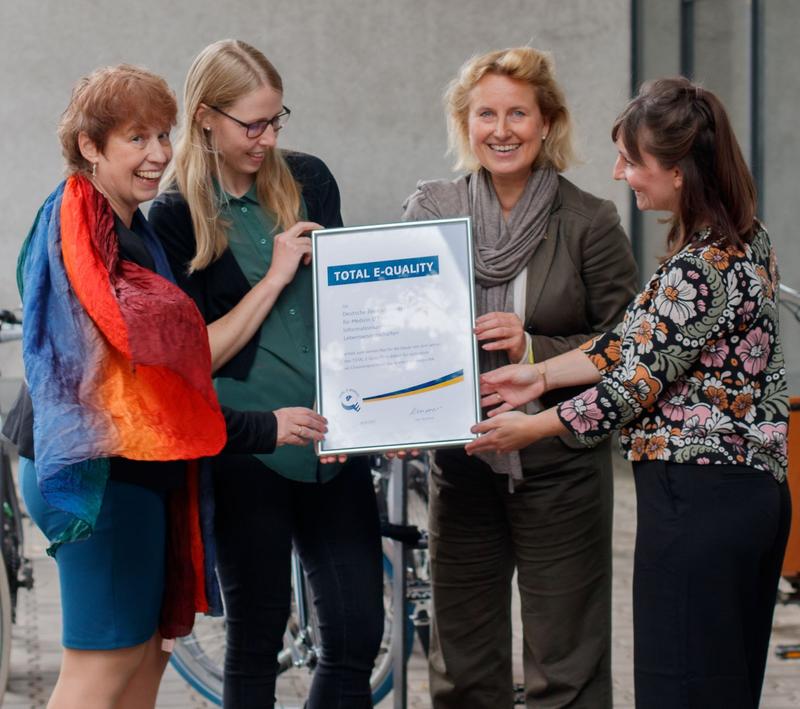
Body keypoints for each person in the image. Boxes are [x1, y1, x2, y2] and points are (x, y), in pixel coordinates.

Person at [7, 64, 327, 709]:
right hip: (100, 476)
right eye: (136, 139)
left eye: (163, 135)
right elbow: (137, 388)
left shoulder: (129, 225)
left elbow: (178, 361)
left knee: (146, 656)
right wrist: (263, 428)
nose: (157, 155)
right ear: (90, 147)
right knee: (102, 666)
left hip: (138, 477)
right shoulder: (83, 230)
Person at [471, 77, 790, 709]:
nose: (620, 174)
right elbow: (634, 341)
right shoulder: (744, 239)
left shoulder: (702, 267)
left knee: (679, 687)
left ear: (677, 172)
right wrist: (538, 374)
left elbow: (631, 387)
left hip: (698, 501)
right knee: (724, 686)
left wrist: (531, 425)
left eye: (631, 161)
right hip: (744, 497)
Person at [149, 40, 384, 709]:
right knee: (255, 641)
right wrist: (278, 273)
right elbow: (199, 353)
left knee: (357, 635)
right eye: (252, 124)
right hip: (249, 447)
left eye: (277, 120)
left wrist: (387, 409)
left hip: (333, 442)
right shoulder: (173, 218)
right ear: (204, 118)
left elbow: (346, 307)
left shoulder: (309, 179)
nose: (268, 137)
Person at [401, 47, 638, 708]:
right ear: (464, 123)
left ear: (547, 123)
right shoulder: (431, 208)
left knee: (567, 664)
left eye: (518, 113)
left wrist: (533, 345)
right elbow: (403, 331)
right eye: (486, 114)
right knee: (463, 664)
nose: (501, 129)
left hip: (559, 466)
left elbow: (629, 343)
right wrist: (387, 412)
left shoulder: (589, 220)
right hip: (464, 461)